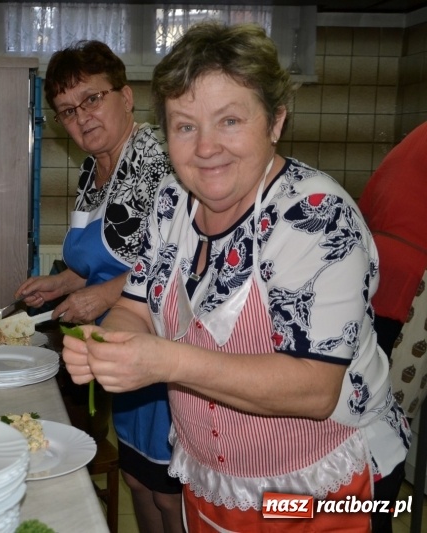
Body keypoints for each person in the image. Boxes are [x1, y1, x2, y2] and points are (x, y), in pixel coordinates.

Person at [61, 22, 411, 532]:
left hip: (323, 487)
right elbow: (136, 304)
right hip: (214, 479)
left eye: (229, 120)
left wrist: (163, 360)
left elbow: (315, 388)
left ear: (275, 121)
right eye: (185, 126)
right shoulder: (170, 203)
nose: (205, 149)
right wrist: (110, 342)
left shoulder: (314, 215)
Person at [15, 41, 184, 533]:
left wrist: (105, 296)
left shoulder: (160, 160)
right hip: (117, 351)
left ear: (126, 97)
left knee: (167, 489)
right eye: (68, 110)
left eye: (92, 99)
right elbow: (108, 257)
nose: (82, 117)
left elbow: (174, 260)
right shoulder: (93, 169)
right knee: (136, 478)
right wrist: (60, 283)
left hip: (162, 342)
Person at [358, 121, 427, 532]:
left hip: (375, 274)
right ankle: (373, 519)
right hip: (411, 285)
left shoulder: (418, 135)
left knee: (371, 409)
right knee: (388, 416)